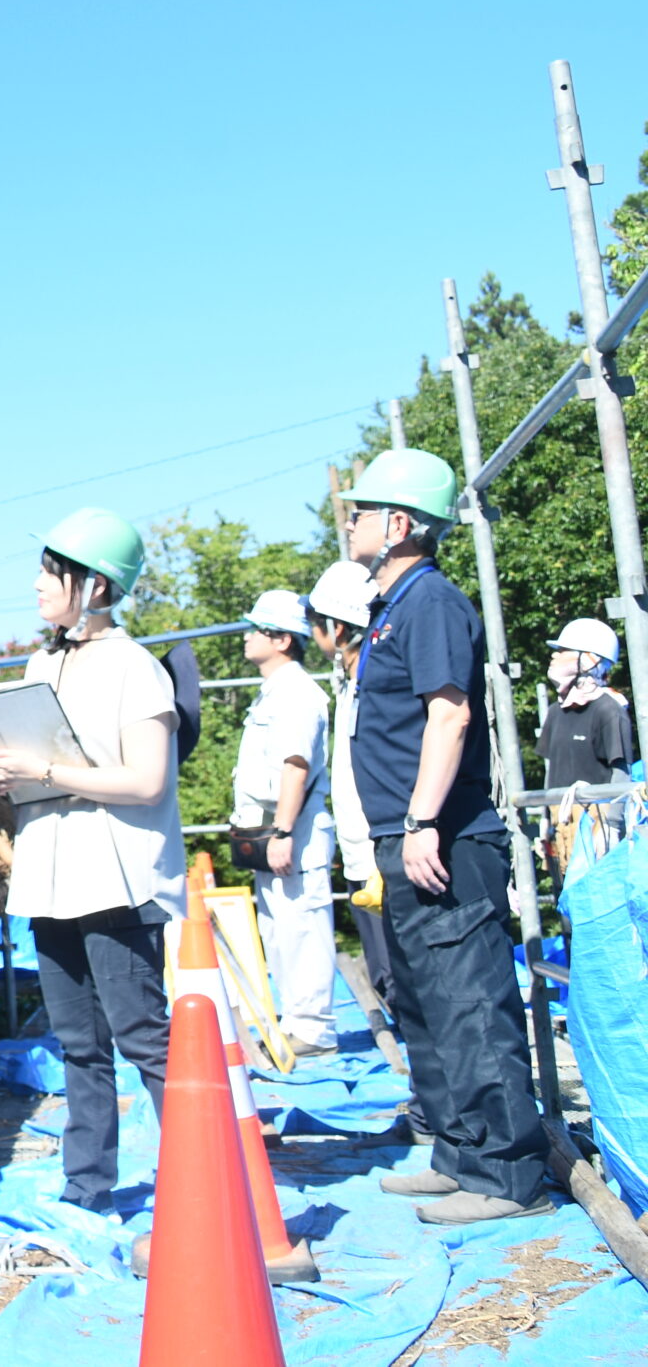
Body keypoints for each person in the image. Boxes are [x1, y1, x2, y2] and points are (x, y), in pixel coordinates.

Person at [340, 448, 547, 1223]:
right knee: (427, 1005)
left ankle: (507, 1174)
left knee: (469, 1002)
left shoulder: (430, 602)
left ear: (398, 524)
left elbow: (449, 713)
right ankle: (460, 1153)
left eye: (361, 511)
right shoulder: (391, 606)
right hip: (408, 835)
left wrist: (425, 816)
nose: (349, 522)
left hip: (445, 838)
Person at [0, 507, 182, 1215]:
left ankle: (200, 1180)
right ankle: (86, 1184)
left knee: (145, 1037)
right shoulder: (42, 663)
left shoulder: (136, 669)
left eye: (51, 571)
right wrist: (13, 772)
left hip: (116, 878)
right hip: (52, 876)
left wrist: (49, 770)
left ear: (94, 585)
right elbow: (51, 764)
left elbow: (147, 779)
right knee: (78, 1044)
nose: (37, 584)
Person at [234, 589, 335, 1056]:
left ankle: (313, 1028)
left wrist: (284, 831)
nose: (248, 636)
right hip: (277, 829)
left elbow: (294, 767)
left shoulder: (296, 693)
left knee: (301, 929)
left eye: (257, 629)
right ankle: (296, 1022)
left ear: (282, 640)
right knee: (279, 930)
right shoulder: (277, 690)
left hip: (292, 831)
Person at [306, 560, 401, 1012]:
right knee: (385, 972)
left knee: (403, 975)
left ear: (338, 628)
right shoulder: (348, 679)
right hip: (363, 853)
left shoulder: (375, 680)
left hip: (385, 851)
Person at [540, 617, 635, 792]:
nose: (554, 655)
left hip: (597, 814)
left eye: (563, 650)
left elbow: (621, 774)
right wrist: (546, 815)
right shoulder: (556, 711)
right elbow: (551, 773)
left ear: (589, 661)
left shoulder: (609, 710)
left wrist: (612, 819)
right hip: (560, 815)